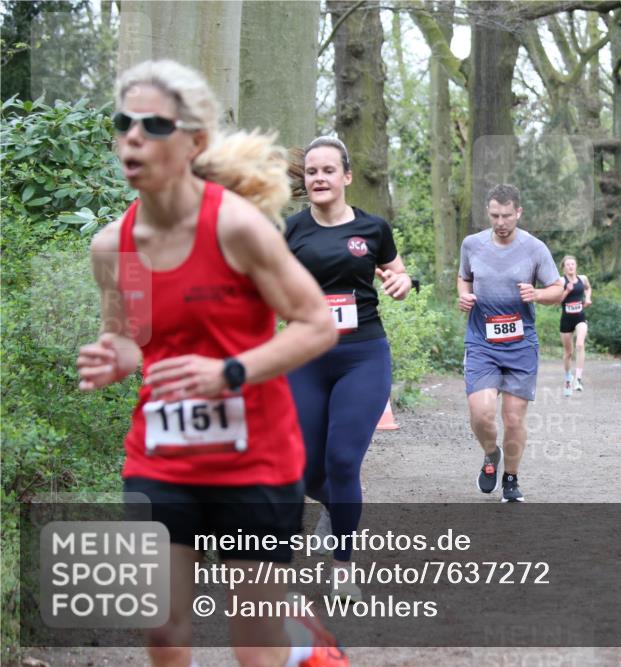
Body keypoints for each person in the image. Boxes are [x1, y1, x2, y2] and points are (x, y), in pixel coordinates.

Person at [76, 60, 346, 667]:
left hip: (254, 460)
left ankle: (300, 642)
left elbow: (316, 323)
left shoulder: (236, 228)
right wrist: (111, 357)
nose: (133, 137)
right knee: (163, 631)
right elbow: (128, 337)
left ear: (195, 140)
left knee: (254, 646)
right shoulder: (114, 247)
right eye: (124, 123)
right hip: (162, 457)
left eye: (154, 125)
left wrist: (230, 371)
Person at [284, 136, 411, 598]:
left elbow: (397, 272)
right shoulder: (291, 230)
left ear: (346, 176)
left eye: (328, 170)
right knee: (300, 469)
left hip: (362, 354)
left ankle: (343, 567)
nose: (319, 178)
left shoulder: (373, 229)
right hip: (304, 357)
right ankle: (335, 507)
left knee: (342, 460)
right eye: (312, 171)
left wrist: (402, 281)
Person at [458, 184, 568, 502]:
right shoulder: (472, 245)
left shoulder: (535, 249)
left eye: (507, 215)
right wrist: (463, 295)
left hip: (520, 344)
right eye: (495, 215)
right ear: (488, 213)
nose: (501, 222)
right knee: (481, 413)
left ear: (518, 212)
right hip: (481, 340)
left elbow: (557, 289)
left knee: (513, 418)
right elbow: (464, 276)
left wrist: (538, 295)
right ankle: (491, 454)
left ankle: (511, 478)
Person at [558, 255, 592, 397]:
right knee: (568, 353)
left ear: (576, 265)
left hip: (580, 317)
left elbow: (588, 288)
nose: (571, 266)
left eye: (573, 264)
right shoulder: (560, 281)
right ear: (564, 267)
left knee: (579, 344)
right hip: (566, 320)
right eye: (568, 264)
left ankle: (578, 379)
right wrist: (566, 291)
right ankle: (568, 378)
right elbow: (556, 300)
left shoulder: (583, 279)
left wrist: (588, 298)